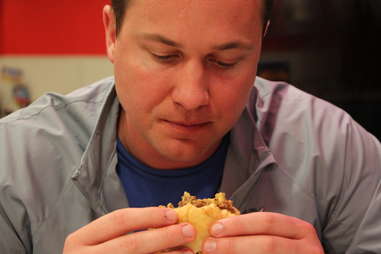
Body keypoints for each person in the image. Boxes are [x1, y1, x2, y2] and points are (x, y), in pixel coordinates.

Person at [1, 0, 381, 253]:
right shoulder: (15, 165)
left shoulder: (336, 150)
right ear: (112, 32)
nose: (192, 96)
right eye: (165, 56)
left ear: (260, 44)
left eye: (226, 61)